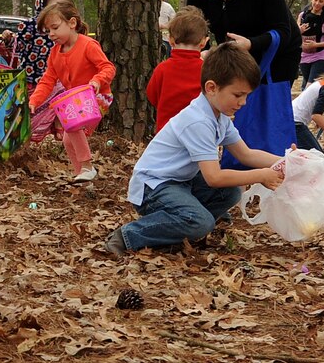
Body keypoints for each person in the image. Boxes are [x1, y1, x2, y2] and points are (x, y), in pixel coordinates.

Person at [96, 46, 285, 256]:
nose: (243, 102)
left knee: (230, 192)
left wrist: (288, 160)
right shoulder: (198, 121)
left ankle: (177, 230)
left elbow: (246, 154)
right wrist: (261, 175)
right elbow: (213, 177)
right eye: (238, 95)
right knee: (201, 222)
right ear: (212, 87)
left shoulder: (219, 117)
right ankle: (129, 235)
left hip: (180, 183)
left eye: (246, 96)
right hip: (153, 188)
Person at [28, 0, 116, 183]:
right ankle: (81, 175)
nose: (51, 34)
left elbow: (108, 67)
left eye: (55, 27)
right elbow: (47, 80)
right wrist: (34, 100)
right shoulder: (54, 54)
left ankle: (87, 166)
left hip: (98, 97)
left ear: (72, 23)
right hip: (77, 101)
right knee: (68, 139)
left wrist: (97, 81)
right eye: (48, 31)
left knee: (73, 123)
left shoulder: (88, 45)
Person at [146, 7, 207, 131]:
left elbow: (152, 96)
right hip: (199, 132)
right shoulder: (207, 70)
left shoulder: (162, 68)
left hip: (167, 132)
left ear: (171, 40)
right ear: (203, 43)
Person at [5, 0, 67, 84]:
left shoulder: (66, 26)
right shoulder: (29, 26)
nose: (61, 9)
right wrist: (9, 38)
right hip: (31, 83)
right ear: (42, 6)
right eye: (55, 6)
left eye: (64, 5)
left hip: (57, 83)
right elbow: (18, 45)